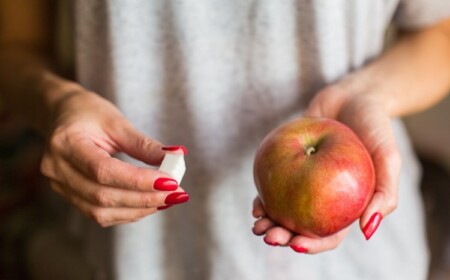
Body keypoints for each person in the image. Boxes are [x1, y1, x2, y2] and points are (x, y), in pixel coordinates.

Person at [1, 0, 450, 279]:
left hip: (357, 265)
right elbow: (14, 46)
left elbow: (439, 34)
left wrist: (368, 93)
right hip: (126, 256)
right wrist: (54, 101)